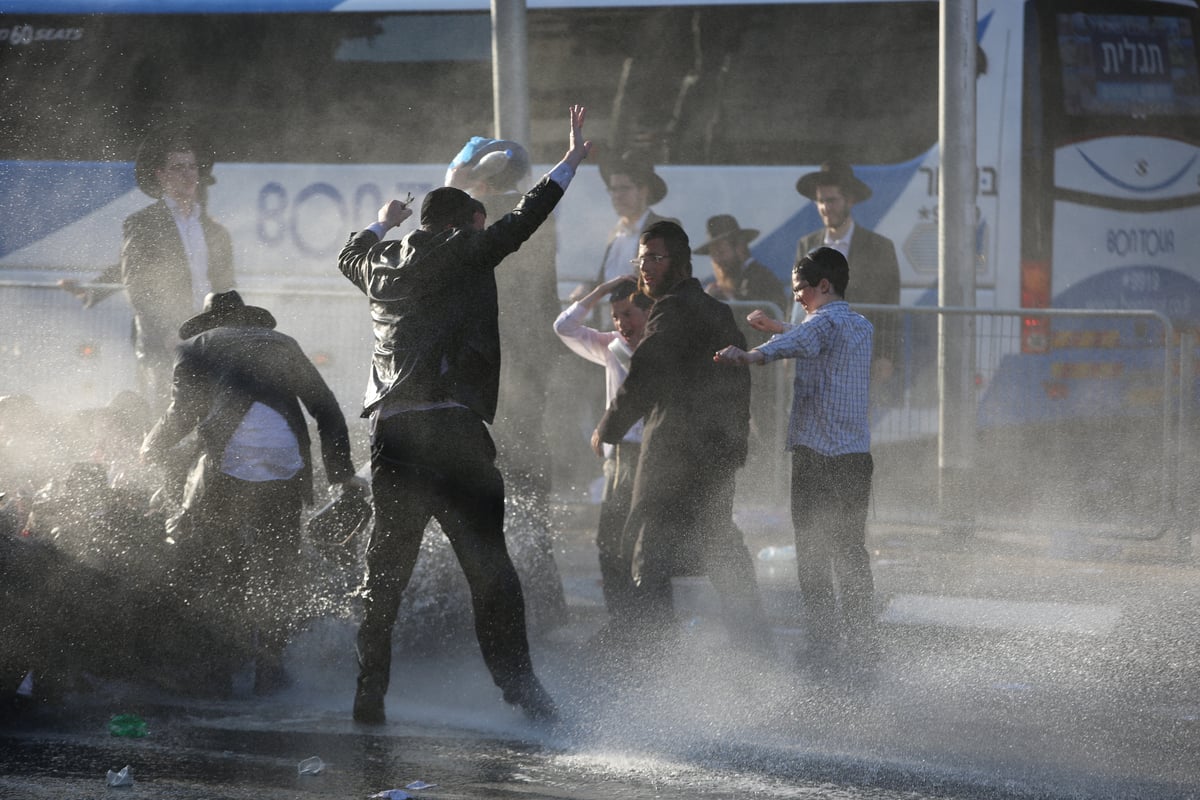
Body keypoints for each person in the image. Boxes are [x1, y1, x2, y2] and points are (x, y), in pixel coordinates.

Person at [338, 105, 592, 726]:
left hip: (394, 433)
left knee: (385, 572)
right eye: (482, 220)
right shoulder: (467, 252)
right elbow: (528, 216)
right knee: (489, 569)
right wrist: (572, 160)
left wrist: (379, 223)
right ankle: (524, 693)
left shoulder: (381, 268)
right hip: (453, 431)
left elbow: (349, 258)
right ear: (471, 222)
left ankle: (369, 695)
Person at [140, 290, 362, 696]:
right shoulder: (284, 343)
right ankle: (270, 673)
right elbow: (326, 410)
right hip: (287, 463)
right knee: (277, 570)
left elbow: (183, 414)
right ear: (248, 320)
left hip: (230, 463)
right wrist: (341, 475)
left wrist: (151, 445)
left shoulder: (197, 345)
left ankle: (217, 674)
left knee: (216, 566)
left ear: (210, 323)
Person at [593, 220, 772, 654]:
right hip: (715, 453)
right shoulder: (715, 309)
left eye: (655, 257)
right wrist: (733, 448)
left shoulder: (672, 309)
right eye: (641, 258)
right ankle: (754, 648)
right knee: (719, 544)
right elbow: (738, 383)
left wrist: (609, 427)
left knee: (648, 551)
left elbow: (645, 374)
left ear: (679, 262)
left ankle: (655, 659)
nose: (645, 268)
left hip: (675, 453)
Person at [714, 247, 877, 671]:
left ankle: (823, 643)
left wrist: (752, 354)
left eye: (800, 290)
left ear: (824, 285)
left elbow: (808, 336)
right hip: (856, 458)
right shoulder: (859, 325)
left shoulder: (820, 324)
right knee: (851, 552)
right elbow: (816, 335)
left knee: (813, 553)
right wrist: (779, 326)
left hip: (818, 458)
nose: (798, 297)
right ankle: (863, 643)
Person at [445, 136, 567, 629]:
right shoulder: (536, 215)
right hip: (525, 369)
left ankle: (487, 598)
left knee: (479, 481)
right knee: (528, 482)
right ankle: (542, 599)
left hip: (486, 368)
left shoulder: (475, 214)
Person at [63, 125, 236, 411]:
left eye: (192, 167)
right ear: (161, 174)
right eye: (178, 167)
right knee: (165, 411)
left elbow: (225, 287)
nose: (188, 174)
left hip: (206, 335)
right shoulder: (142, 223)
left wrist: (225, 329)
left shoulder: (215, 231)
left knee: (209, 412)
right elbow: (137, 283)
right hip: (163, 338)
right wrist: (168, 330)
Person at [553, 274, 652, 630]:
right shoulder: (610, 346)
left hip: (652, 451)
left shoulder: (663, 346)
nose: (622, 324)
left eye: (628, 314)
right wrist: (602, 291)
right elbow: (564, 326)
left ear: (648, 312)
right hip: (620, 456)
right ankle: (622, 620)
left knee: (642, 541)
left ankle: (643, 622)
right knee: (611, 539)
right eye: (616, 317)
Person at [793, 160, 899, 397]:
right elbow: (798, 301)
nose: (824, 207)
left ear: (850, 200)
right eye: (820, 201)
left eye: (831, 200)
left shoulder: (879, 247)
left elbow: (890, 306)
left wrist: (887, 355)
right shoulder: (807, 245)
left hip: (859, 356)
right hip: (816, 355)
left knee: (855, 426)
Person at [594, 151, 679, 289]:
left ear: (644, 191)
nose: (617, 196)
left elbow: (666, 281)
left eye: (624, 189)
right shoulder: (615, 234)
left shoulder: (664, 229)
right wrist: (588, 288)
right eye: (613, 189)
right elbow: (607, 281)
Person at [695, 214, 789, 318]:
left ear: (740, 247)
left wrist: (724, 299)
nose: (717, 261)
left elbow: (755, 322)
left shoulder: (760, 277)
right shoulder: (738, 280)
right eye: (713, 255)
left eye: (721, 252)